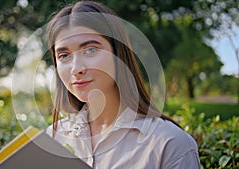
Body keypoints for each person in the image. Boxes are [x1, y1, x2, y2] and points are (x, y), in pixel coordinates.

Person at [45, 1, 201, 168]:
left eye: (90, 49)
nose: (76, 69)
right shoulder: (52, 138)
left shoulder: (170, 144)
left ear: (119, 54)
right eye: (63, 55)